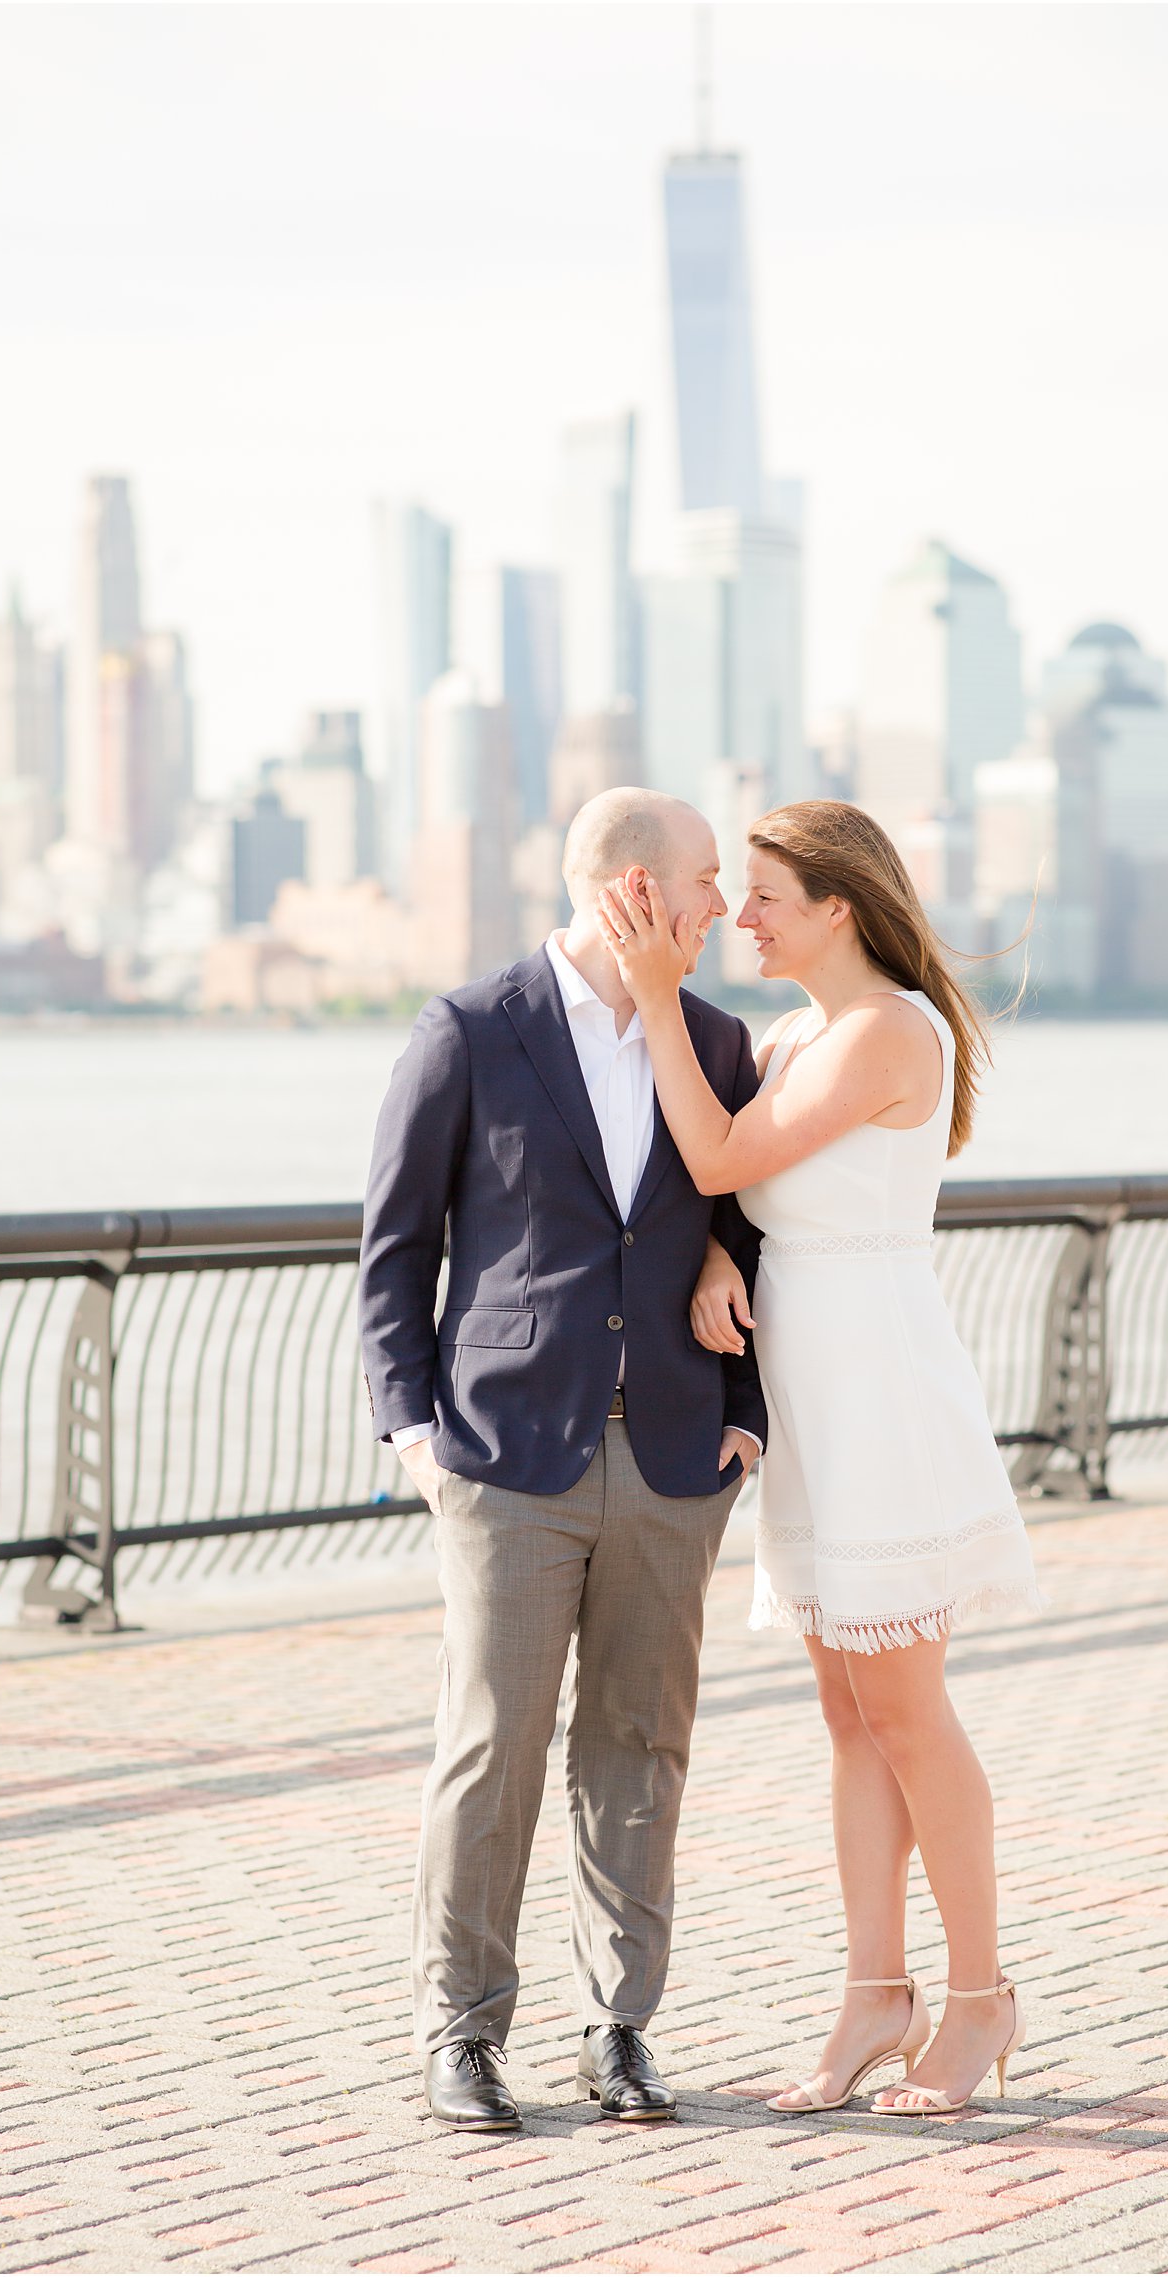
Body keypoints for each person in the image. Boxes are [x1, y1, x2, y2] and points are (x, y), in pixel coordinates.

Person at [595, 797, 1042, 2119]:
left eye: (770, 895)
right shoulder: (793, 1037)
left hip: (883, 1396)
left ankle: (979, 1998)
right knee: (848, 1715)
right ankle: (872, 1993)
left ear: (838, 906)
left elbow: (723, 1146)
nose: (742, 916)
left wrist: (653, 996)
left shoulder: (888, 1029)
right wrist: (732, 1247)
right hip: (812, 1405)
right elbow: (747, 1189)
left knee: (907, 1710)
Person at [359, 788, 767, 2133]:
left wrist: (744, 1413)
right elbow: (397, 1249)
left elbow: (757, 1239)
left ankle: (620, 2029)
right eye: (705, 880)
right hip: (505, 1454)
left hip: (669, 1453)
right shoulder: (471, 1032)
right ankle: (461, 2033)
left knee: (639, 1745)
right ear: (635, 890)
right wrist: (415, 1435)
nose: (722, 905)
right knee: (493, 1744)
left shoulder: (713, 1040)